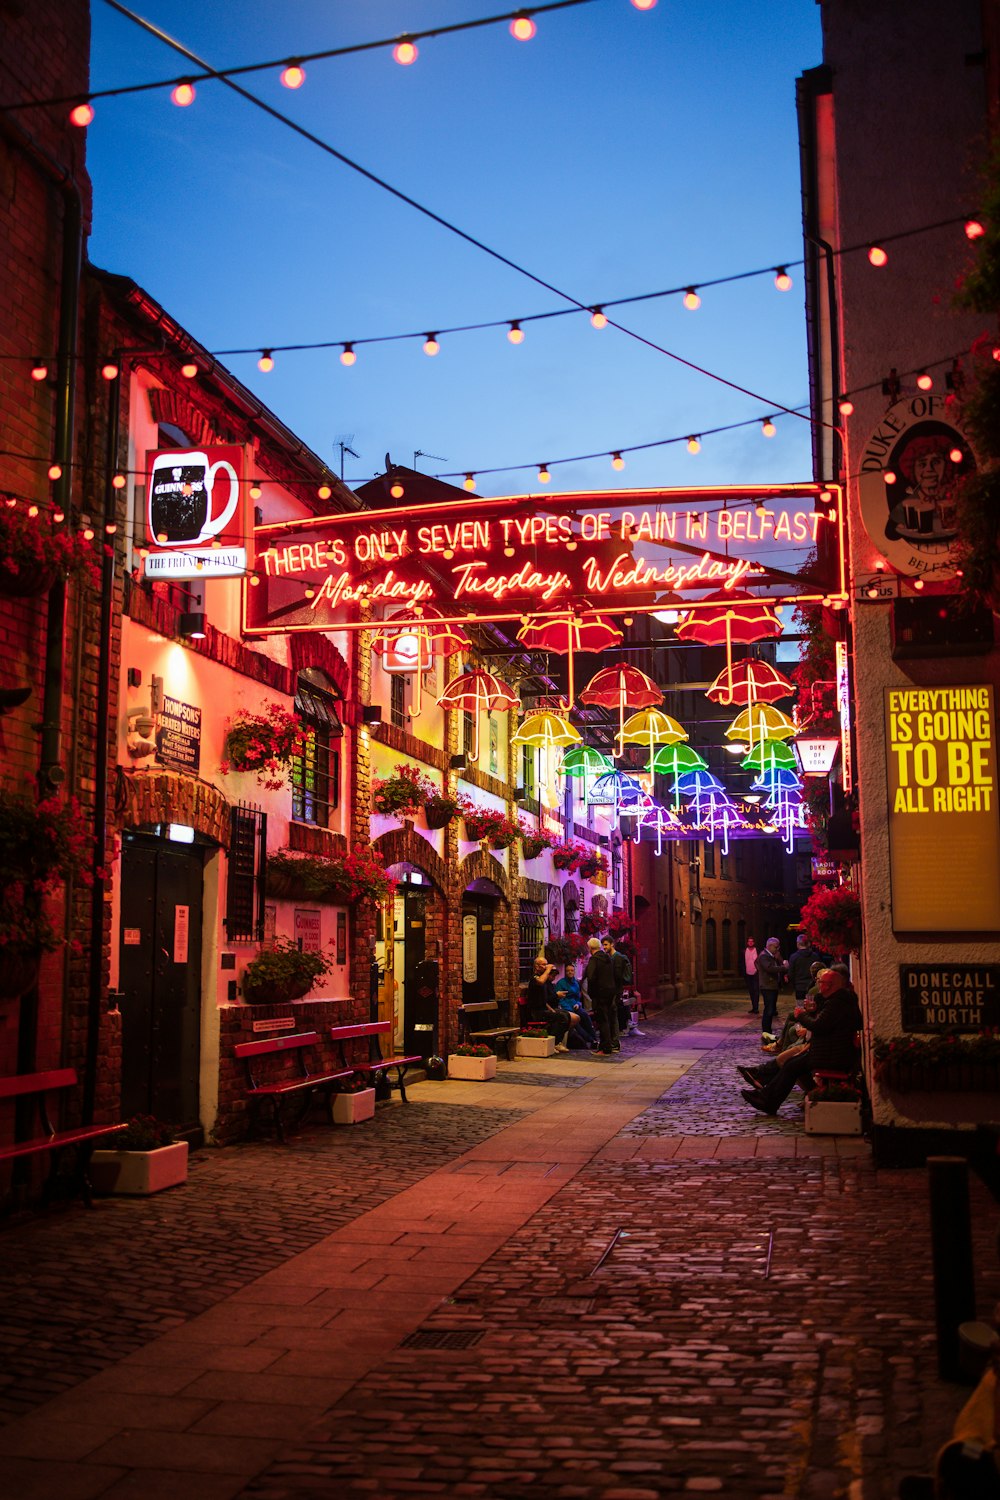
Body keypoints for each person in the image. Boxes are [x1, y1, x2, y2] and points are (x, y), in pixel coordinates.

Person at [740, 967, 862, 1117]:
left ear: (830, 986)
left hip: (832, 1055)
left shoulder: (837, 1003)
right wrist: (813, 1009)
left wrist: (802, 1015)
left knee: (792, 1065)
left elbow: (818, 1026)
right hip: (830, 1050)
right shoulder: (838, 1000)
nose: (819, 986)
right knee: (791, 1063)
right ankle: (767, 1096)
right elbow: (824, 1022)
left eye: (822, 982)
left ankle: (767, 1099)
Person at [584, 936, 631, 1055]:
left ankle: (605, 1048)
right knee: (608, 1019)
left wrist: (591, 991)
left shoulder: (594, 959)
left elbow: (591, 976)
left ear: (590, 948)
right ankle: (610, 1044)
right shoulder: (608, 958)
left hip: (599, 994)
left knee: (602, 1020)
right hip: (610, 993)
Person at [526, 956, 570, 1051]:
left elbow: (544, 1000)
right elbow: (541, 981)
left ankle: (557, 1042)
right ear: (537, 967)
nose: (546, 966)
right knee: (561, 1017)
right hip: (536, 1012)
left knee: (565, 1015)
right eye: (544, 964)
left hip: (544, 1010)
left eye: (547, 964)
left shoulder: (545, 980)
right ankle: (552, 1043)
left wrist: (552, 1009)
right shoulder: (535, 978)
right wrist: (549, 969)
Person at [553, 962, 599, 1048]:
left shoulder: (576, 983)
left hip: (575, 1006)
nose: (570, 972)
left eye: (572, 970)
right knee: (575, 1022)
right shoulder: (561, 983)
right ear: (565, 972)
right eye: (568, 971)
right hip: (566, 1007)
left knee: (585, 1015)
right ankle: (590, 1039)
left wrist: (577, 1004)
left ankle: (595, 1038)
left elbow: (578, 998)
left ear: (574, 972)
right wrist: (569, 1008)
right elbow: (560, 1000)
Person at [754, 937, 785, 1043]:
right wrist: (784, 967)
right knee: (769, 1010)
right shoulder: (764, 956)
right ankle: (766, 1033)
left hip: (772, 986)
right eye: (776, 947)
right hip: (767, 986)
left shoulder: (771, 956)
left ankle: (768, 1032)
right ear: (770, 946)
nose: (777, 949)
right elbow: (770, 968)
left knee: (771, 1010)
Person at [786, 933, 820, 1001]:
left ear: (798, 944)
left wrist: (793, 984)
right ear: (808, 944)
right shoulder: (815, 956)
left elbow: (791, 974)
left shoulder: (794, 957)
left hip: (799, 987)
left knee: (800, 1007)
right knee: (812, 1006)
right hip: (813, 986)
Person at [744, 936, 760, 1015]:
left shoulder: (757, 951)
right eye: (749, 941)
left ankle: (756, 1008)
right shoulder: (744, 951)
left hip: (755, 974)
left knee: (756, 991)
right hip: (748, 973)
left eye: (752, 941)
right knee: (751, 991)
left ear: (754, 942)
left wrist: (758, 971)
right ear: (747, 943)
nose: (750, 942)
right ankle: (753, 1007)